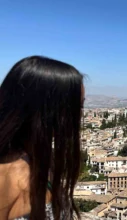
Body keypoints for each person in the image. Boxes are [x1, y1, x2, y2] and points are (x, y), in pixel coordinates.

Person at [0, 56, 84, 219]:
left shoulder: (37, 161)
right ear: (51, 111)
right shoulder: (22, 179)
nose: (81, 114)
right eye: (78, 106)